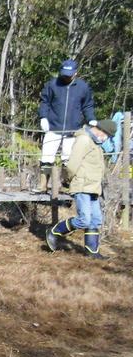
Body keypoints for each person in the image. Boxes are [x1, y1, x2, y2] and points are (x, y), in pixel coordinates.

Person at [45, 119, 117, 260]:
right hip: (83, 185)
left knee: (95, 220)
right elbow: (72, 165)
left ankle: (92, 252)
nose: (107, 139)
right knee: (84, 219)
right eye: (107, 135)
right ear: (101, 131)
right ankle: (54, 231)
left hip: (93, 187)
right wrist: (71, 180)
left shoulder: (95, 143)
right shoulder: (84, 140)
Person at [37, 59, 96, 191]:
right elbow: (44, 102)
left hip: (72, 129)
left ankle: (66, 185)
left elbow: (87, 105)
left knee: (68, 159)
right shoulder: (52, 85)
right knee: (47, 156)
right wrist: (43, 117)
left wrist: (91, 119)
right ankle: (43, 185)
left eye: (69, 74)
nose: (66, 77)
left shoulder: (83, 87)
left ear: (76, 73)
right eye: (64, 74)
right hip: (53, 126)